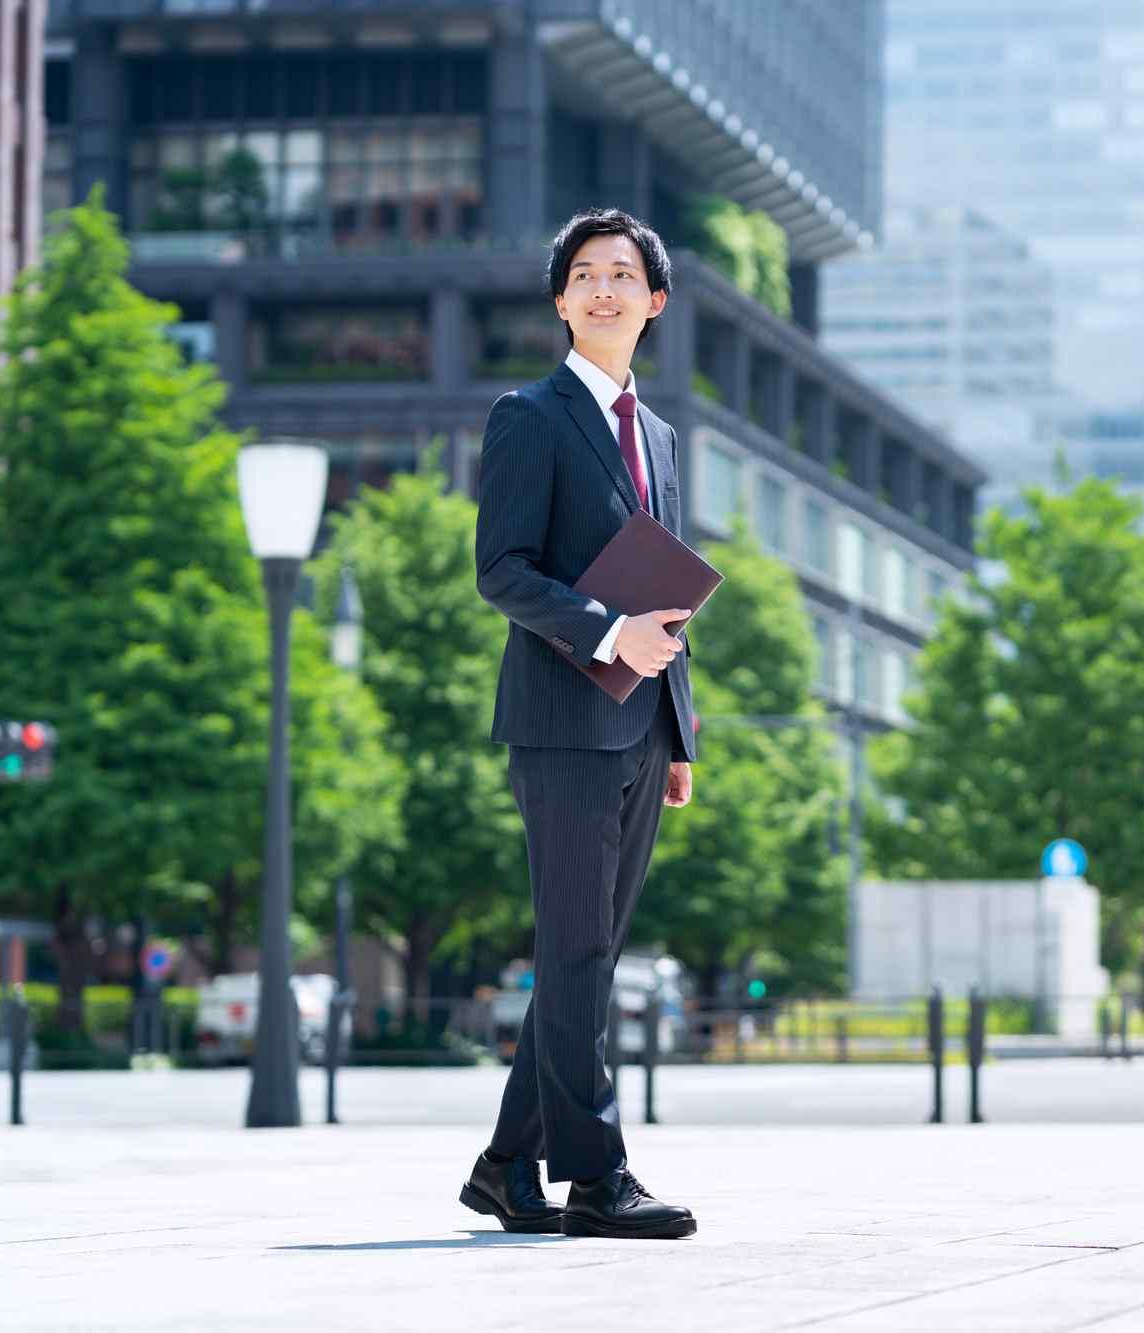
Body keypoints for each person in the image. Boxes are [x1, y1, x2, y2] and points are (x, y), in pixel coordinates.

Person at [461, 208, 700, 1241]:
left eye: (623, 275)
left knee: (588, 958)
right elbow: (501, 570)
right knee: (571, 952)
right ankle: (595, 1179)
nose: (603, 290)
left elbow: (673, 599)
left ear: (653, 302)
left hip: (641, 726)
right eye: (584, 274)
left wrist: (679, 736)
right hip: (561, 722)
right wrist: (608, 636)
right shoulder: (529, 415)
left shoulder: (662, 437)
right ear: (561, 300)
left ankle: (506, 1168)